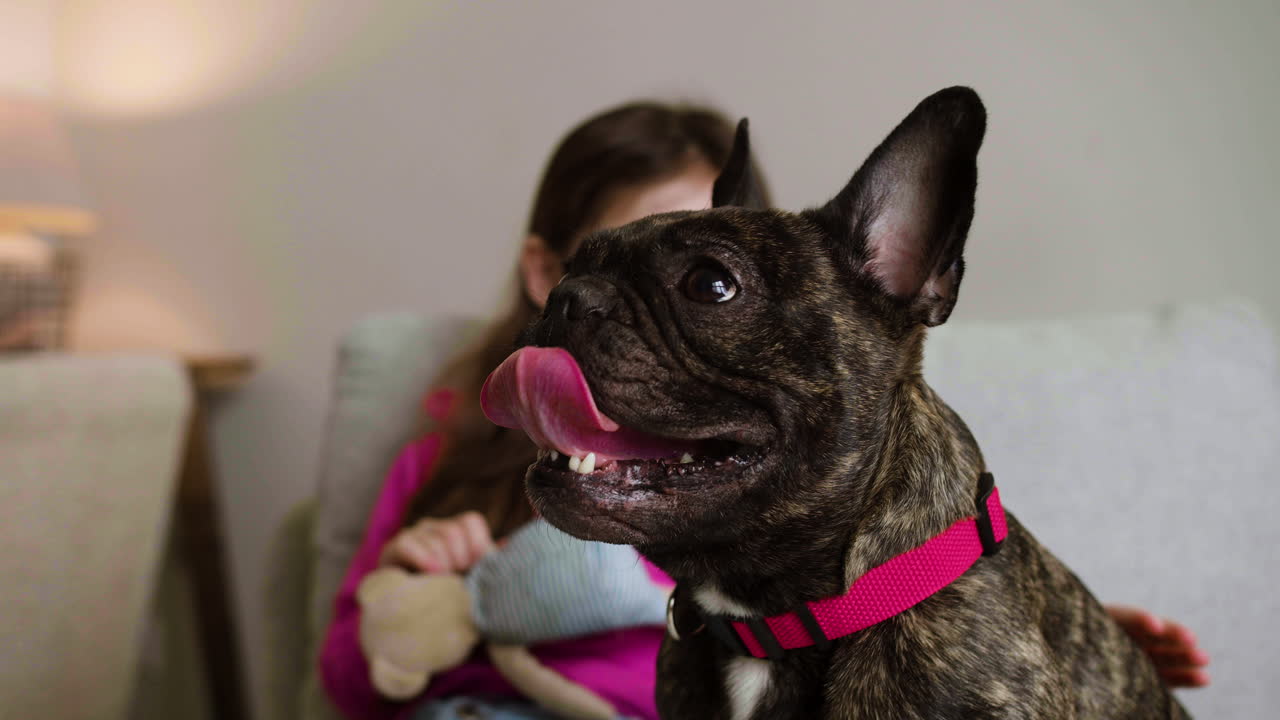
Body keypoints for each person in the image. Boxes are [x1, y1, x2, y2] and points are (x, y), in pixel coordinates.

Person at [320, 101, 1210, 720]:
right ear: (542, 274)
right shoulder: (683, 624)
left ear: (897, 276)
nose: (591, 318)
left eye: (707, 283)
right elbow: (350, 679)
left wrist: (1063, 633)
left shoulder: (967, 660)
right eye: (584, 285)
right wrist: (399, 600)